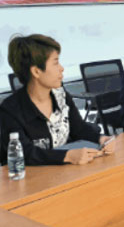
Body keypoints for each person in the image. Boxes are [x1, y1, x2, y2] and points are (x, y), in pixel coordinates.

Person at [0, 34, 114, 167]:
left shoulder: (61, 96)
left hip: (67, 172)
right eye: (55, 62)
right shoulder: (10, 110)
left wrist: (101, 139)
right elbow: (26, 153)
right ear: (36, 72)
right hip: (32, 177)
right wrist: (67, 156)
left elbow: (79, 129)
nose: (61, 68)